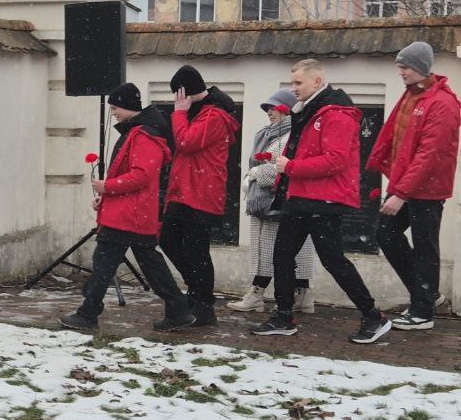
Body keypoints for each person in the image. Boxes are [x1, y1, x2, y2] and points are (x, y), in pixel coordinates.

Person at [252, 59, 389, 343]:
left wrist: (290, 168)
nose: (293, 89)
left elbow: (335, 161)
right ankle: (283, 316)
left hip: (324, 199)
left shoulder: (335, 114)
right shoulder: (308, 112)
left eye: (298, 83)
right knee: (282, 255)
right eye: (292, 83)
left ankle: (373, 316)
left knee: (332, 260)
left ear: (317, 82)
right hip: (302, 197)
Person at [60, 83, 194, 332]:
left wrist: (107, 187)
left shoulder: (143, 135)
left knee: (105, 261)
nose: (113, 113)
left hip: (128, 215)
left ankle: (88, 312)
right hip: (132, 213)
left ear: (128, 107)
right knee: (147, 262)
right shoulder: (140, 132)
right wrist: (107, 197)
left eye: (115, 108)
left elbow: (142, 176)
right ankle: (178, 309)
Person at [367, 42, 461, 331]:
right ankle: (427, 295)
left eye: (405, 67)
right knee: (387, 232)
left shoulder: (441, 103)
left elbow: (428, 154)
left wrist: (400, 193)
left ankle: (422, 312)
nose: (401, 72)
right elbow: (399, 140)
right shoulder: (414, 96)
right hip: (408, 184)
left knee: (423, 246)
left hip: (426, 189)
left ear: (420, 68)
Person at [159, 65, 240, 326]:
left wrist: (179, 114)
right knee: (169, 241)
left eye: (178, 95)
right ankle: (197, 291)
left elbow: (186, 142)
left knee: (197, 251)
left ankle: (203, 305)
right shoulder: (198, 113)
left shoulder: (214, 115)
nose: (176, 101)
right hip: (185, 191)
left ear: (185, 92)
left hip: (202, 193)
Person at [227, 89, 317, 314]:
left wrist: (254, 174)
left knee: (267, 251)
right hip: (281, 201)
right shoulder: (273, 134)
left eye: (274, 107)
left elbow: (277, 167)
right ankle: (304, 295)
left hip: (274, 202)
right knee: (289, 251)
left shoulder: (289, 134)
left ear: (287, 109)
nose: (269, 112)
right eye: (268, 108)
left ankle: (256, 294)